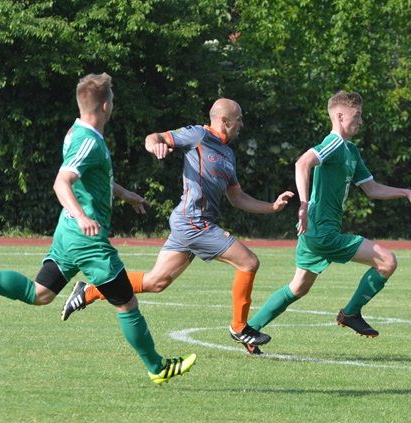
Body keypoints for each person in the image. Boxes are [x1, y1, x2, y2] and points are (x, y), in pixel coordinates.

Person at [0, 73, 196, 384]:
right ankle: (157, 367)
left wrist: (124, 195)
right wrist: (83, 216)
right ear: (105, 105)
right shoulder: (88, 141)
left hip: (67, 234)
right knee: (126, 302)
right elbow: (62, 182)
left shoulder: (77, 133)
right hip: (87, 240)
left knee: (40, 293)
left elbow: (92, 179)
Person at [60, 98, 294, 354]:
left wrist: (271, 207)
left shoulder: (228, 154)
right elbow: (154, 137)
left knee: (156, 282)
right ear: (225, 121)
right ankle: (239, 327)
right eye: (238, 119)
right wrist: (155, 147)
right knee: (248, 262)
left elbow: (237, 198)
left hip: (194, 224)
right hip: (193, 222)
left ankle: (90, 291)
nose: (242, 124)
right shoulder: (198, 135)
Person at [244, 91, 411, 348]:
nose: (361, 122)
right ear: (340, 116)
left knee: (298, 288)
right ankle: (350, 313)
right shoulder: (334, 143)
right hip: (321, 230)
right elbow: (302, 163)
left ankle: (249, 330)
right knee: (387, 261)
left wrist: (406, 193)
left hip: (313, 231)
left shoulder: (350, 150)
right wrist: (304, 205)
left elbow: (372, 189)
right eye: (357, 116)